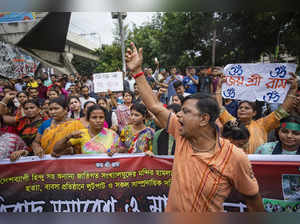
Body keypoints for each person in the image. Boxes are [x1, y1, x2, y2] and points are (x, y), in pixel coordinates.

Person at [125, 41, 264, 212]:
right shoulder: (182, 133)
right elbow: (154, 105)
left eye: (185, 111)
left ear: (204, 119)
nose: (179, 115)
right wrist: (137, 72)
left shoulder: (234, 157)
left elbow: (254, 202)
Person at [216, 74, 298, 154]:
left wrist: (293, 90)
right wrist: (219, 88)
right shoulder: (232, 122)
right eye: (240, 108)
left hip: (259, 164)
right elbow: (219, 108)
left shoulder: (262, 124)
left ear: (254, 113)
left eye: (247, 108)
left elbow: (282, 111)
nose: (242, 110)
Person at [53, 105, 121, 156]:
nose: (98, 120)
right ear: (88, 119)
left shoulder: (112, 134)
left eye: (101, 117)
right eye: (94, 117)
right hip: (87, 173)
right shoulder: (81, 134)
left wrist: (117, 150)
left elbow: (124, 150)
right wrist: (68, 136)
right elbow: (56, 149)